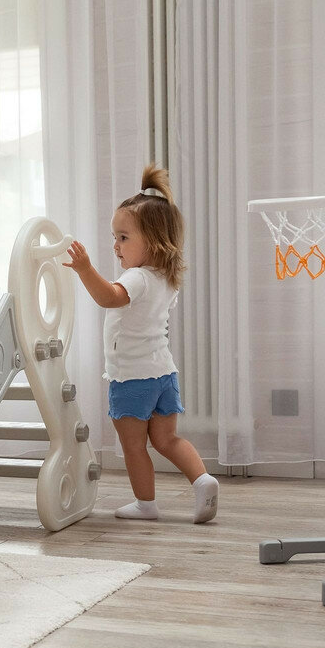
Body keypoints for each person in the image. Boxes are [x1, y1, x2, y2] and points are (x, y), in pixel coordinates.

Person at [63, 165, 219, 523]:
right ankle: (202, 480)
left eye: (123, 238)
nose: (115, 246)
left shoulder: (136, 277)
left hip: (132, 377)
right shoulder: (165, 278)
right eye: (114, 237)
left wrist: (85, 269)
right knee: (167, 440)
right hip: (164, 374)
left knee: (134, 446)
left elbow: (109, 297)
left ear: (153, 240)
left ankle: (146, 505)